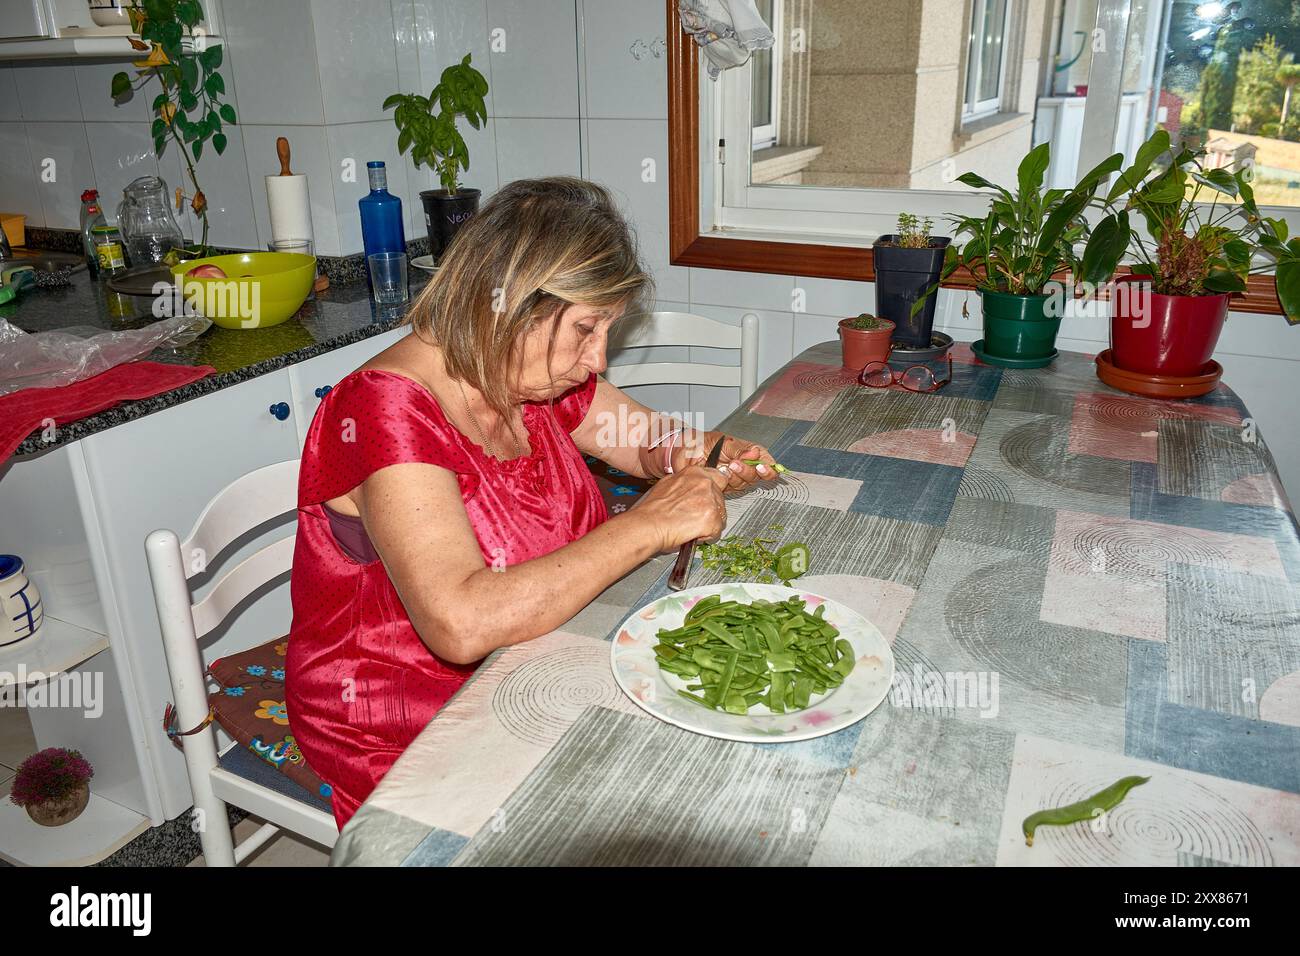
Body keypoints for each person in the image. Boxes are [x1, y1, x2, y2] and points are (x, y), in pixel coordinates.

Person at [285, 177, 779, 827]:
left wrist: (700, 452)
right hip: (407, 717)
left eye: (607, 329)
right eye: (585, 328)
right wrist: (651, 523)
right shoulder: (386, 411)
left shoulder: (529, 373)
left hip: (541, 656)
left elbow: (641, 440)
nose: (598, 357)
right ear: (507, 306)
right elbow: (459, 623)